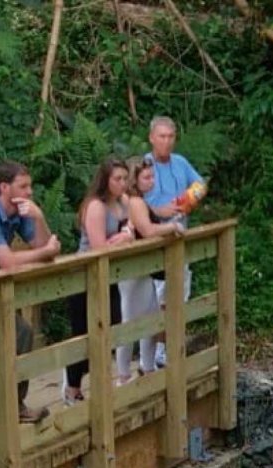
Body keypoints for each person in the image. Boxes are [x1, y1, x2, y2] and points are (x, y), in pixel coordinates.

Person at [0, 160, 62, 422]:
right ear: (4, 187)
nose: (30, 192)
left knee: (20, 334)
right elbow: (8, 262)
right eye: (24, 186)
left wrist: (39, 217)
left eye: (30, 186)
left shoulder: (19, 211)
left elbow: (45, 246)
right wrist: (45, 252)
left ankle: (15, 406)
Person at [63, 157, 134, 403]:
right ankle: (72, 386)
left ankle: (102, 382)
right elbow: (98, 247)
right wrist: (122, 238)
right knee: (82, 332)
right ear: (105, 180)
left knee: (113, 323)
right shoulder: (95, 206)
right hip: (84, 275)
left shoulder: (124, 201)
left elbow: (131, 230)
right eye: (117, 179)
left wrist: (125, 236)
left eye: (125, 178)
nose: (122, 184)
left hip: (109, 274)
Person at [144, 116, 206, 368]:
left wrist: (190, 199)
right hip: (155, 239)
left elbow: (201, 183)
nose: (167, 142)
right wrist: (161, 210)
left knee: (179, 296)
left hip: (181, 236)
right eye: (162, 137)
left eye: (171, 137)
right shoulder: (144, 165)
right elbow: (137, 199)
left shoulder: (179, 162)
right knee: (158, 300)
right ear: (151, 138)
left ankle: (167, 349)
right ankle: (152, 355)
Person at [117, 155, 181, 383]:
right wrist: (172, 227)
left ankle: (147, 366)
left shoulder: (139, 201)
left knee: (152, 316)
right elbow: (147, 228)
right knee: (130, 321)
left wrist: (168, 214)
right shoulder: (135, 201)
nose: (152, 181)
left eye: (153, 176)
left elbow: (152, 217)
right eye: (147, 177)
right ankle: (123, 375)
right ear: (135, 179)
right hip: (132, 270)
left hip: (143, 268)